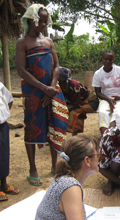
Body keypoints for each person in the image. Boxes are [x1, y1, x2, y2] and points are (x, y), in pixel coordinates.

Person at [16, 4, 68, 186]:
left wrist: (51, 88)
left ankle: (55, 166)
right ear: (32, 20)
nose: (45, 24)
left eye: (46, 21)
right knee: (32, 127)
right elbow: (21, 70)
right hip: (33, 93)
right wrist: (43, 89)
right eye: (42, 21)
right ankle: (33, 169)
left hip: (52, 91)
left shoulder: (49, 41)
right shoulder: (22, 42)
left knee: (54, 125)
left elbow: (56, 66)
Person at [35, 135, 99, 219]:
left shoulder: (65, 179)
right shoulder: (71, 187)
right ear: (87, 161)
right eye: (97, 155)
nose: (99, 158)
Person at [92, 49, 120, 136]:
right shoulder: (98, 74)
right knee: (103, 112)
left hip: (119, 98)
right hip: (105, 98)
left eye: (111, 60)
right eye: (106, 59)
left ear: (113, 60)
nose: (108, 61)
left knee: (118, 112)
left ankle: (111, 133)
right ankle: (104, 136)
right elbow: (98, 92)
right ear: (102, 59)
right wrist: (109, 100)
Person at [58, 67, 99, 136]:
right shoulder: (60, 86)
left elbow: (76, 104)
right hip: (80, 103)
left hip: (91, 102)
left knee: (74, 112)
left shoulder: (74, 85)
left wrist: (63, 109)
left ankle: (74, 133)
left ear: (61, 80)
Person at [0, 83, 19, 201]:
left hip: (2, 125)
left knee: (3, 155)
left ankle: (3, 183)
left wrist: (5, 113)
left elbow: (9, 99)